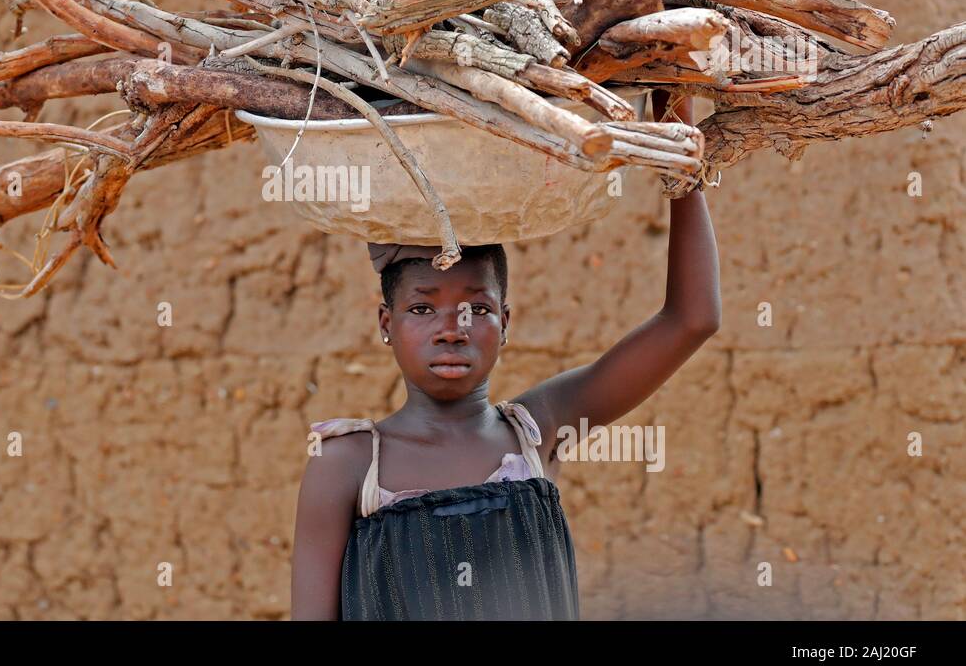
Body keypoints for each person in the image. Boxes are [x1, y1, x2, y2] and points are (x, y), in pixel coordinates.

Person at [290, 91, 721, 620]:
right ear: (387, 324)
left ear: (506, 322)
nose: (452, 330)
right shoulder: (348, 464)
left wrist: (676, 132)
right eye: (423, 310)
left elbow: (692, 319)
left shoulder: (539, 430)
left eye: (477, 307)